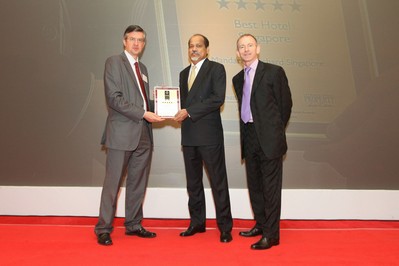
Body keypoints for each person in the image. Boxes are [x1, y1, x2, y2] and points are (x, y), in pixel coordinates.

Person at [94, 25, 165, 246]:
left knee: (138, 182)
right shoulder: (114, 62)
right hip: (122, 132)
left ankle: (133, 224)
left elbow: (142, 101)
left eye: (141, 40)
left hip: (144, 132)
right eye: (132, 39)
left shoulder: (142, 67)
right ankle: (103, 228)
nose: (136, 43)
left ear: (144, 44)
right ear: (124, 41)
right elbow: (114, 98)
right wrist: (144, 112)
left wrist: (164, 103)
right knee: (113, 183)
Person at [232, 34, 292, 250]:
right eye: (241, 47)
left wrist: (273, 131)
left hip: (269, 139)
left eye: (250, 45)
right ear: (238, 53)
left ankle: (271, 234)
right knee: (255, 185)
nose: (246, 49)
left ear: (258, 48)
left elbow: (285, 106)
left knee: (270, 188)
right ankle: (260, 224)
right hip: (248, 136)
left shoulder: (274, 72)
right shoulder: (237, 79)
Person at [173, 34, 233, 243]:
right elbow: (179, 102)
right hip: (188, 135)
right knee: (193, 183)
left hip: (209, 135)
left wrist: (188, 111)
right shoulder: (183, 73)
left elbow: (217, 99)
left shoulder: (216, 69)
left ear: (207, 49)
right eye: (191, 46)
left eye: (198, 46)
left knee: (218, 182)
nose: (194, 49)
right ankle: (197, 223)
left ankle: (225, 227)